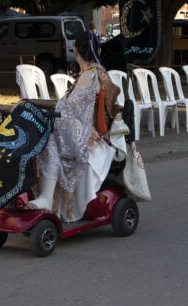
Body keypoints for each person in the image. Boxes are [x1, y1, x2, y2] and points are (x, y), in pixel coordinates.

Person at [26, 31, 122, 221]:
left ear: (75, 50)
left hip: (86, 134)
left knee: (48, 140)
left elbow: (69, 107)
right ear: (99, 50)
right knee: (48, 135)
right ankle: (44, 198)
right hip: (85, 129)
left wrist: (37, 103)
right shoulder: (96, 73)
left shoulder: (90, 75)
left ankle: (45, 197)